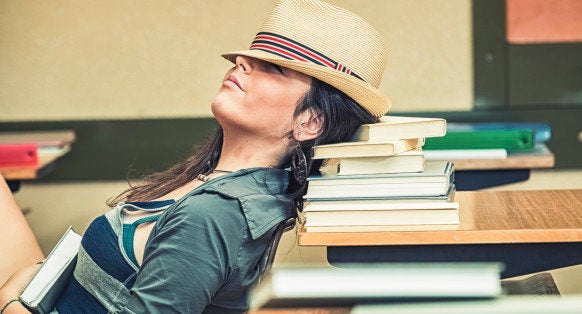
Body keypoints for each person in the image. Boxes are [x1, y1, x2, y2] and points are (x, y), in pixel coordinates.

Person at [0, 0, 391, 312]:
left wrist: (13, 302)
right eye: (251, 56)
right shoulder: (222, 179)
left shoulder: (212, 217)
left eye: (273, 68)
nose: (243, 63)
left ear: (311, 122)